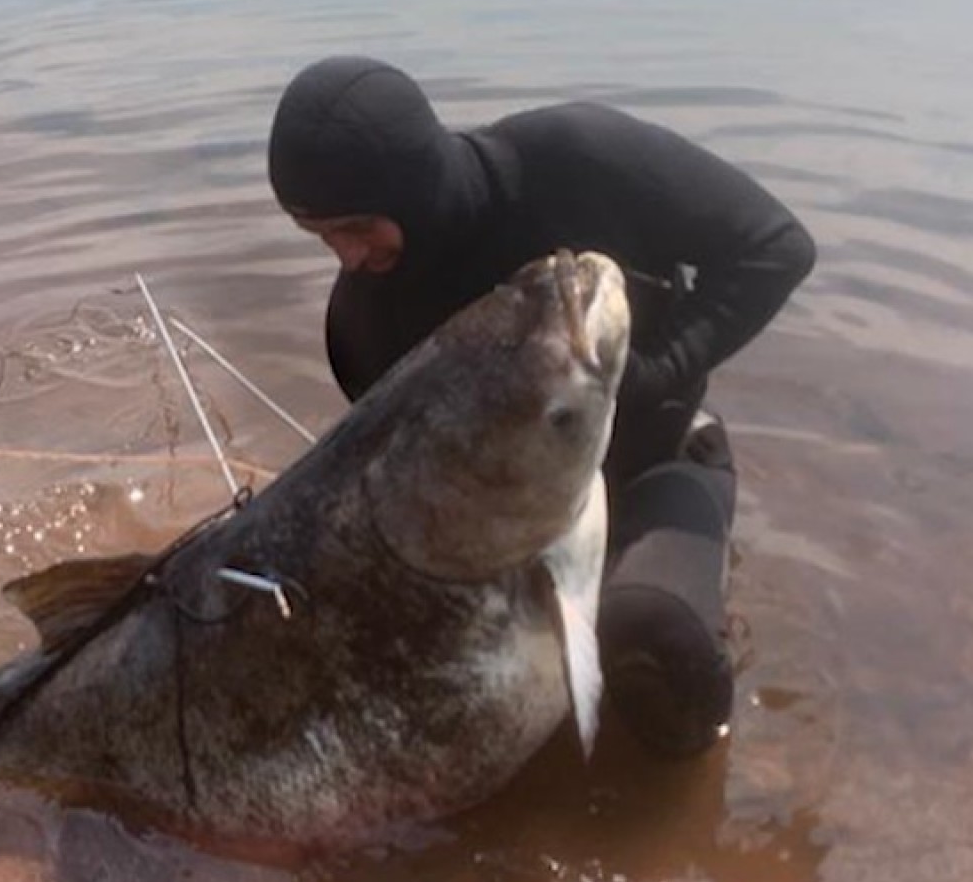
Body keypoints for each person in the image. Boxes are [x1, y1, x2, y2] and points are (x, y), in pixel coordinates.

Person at [267, 55, 815, 759]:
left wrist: (649, 375)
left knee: (648, 639)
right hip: (508, 537)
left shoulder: (577, 161)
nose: (346, 256)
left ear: (410, 184)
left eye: (358, 225)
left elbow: (776, 248)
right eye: (321, 237)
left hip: (655, 461)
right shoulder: (362, 323)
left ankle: (674, 805)